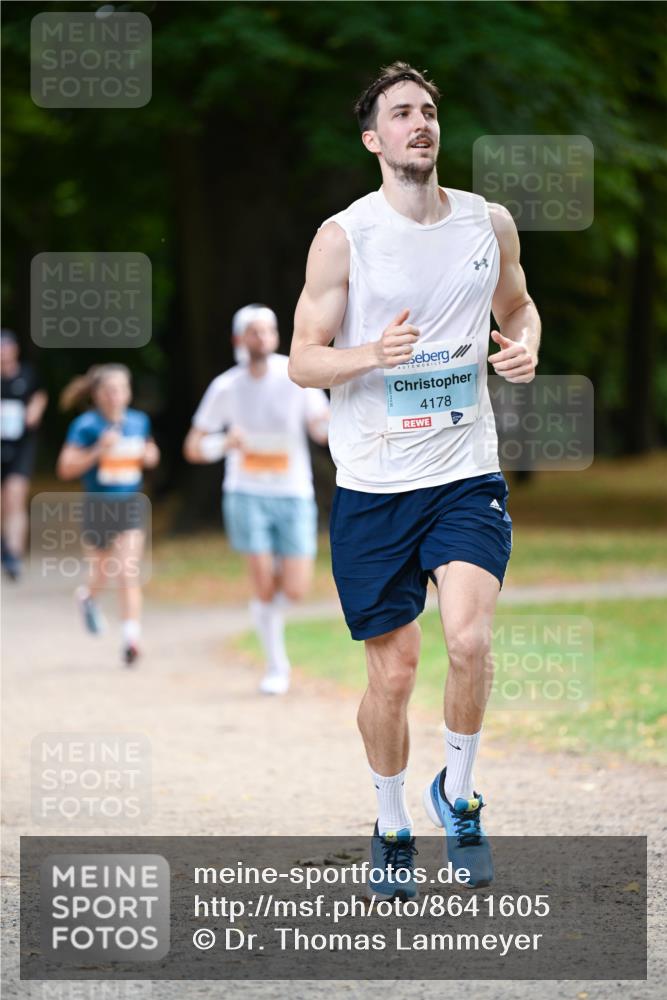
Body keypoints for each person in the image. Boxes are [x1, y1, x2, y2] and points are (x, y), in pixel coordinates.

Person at [289, 63, 540, 894]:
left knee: (468, 639)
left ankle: (459, 800)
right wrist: (370, 355)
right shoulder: (344, 236)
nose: (419, 123)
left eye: (428, 110)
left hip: (465, 471)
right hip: (371, 485)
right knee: (392, 673)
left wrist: (527, 342)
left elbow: (519, 305)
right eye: (400, 113)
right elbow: (302, 361)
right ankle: (392, 817)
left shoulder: (485, 222)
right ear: (374, 139)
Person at [184, 304, 329, 695]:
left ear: (277, 337)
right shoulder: (226, 387)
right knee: (264, 583)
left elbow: (320, 427)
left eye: (268, 331)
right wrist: (222, 442)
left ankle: (264, 616)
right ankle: (276, 665)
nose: (262, 338)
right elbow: (193, 447)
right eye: (254, 332)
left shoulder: (296, 374)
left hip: (293, 491)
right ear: (238, 339)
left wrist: (337, 423)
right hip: (246, 493)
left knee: (295, 589)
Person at [56, 364, 160, 665]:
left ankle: (131, 640)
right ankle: (88, 597)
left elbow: (150, 452)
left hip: (129, 505)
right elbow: (65, 468)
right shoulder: (86, 426)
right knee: (102, 574)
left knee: (128, 571)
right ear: (97, 395)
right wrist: (98, 450)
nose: (115, 396)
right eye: (108, 390)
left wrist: (150, 456)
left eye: (121, 389)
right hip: (98, 507)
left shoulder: (139, 422)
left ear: (128, 393)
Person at [1, 329, 48, 580]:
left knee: (15, 497)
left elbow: (40, 395)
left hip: (21, 446)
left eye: (7, 347)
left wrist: (35, 410)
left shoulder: (27, 374)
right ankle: (5, 541)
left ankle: (13, 555)